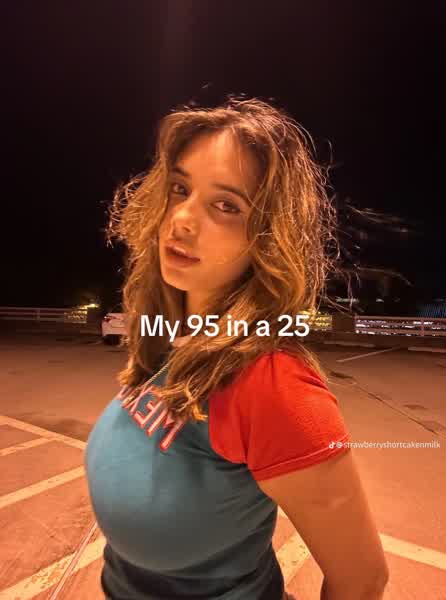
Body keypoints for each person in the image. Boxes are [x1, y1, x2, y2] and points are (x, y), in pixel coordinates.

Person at [85, 97, 389, 600]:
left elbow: (363, 578)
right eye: (180, 188)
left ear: (267, 238)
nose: (182, 219)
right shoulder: (174, 335)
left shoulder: (271, 383)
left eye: (226, 206)